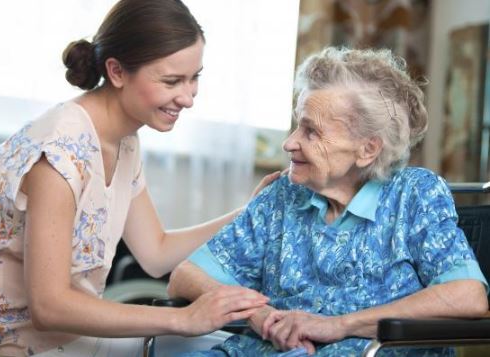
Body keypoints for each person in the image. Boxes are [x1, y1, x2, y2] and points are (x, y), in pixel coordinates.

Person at [0, 1, 274, 356]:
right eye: (171, 81)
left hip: (69, 337)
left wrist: (250, 210)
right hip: (18, 344)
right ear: (117, 71)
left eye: (194, 77)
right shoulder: (59, 154)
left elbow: (155, 252)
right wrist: (184, 319)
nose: (187, 98)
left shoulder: (124, 140)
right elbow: (49, 308)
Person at [167, 47, 489, 356]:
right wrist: (258, 314)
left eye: (311, 132)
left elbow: (467, 295)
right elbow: (185, 277)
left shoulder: (415, 195)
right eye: (297, 124)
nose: (289, 142)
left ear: (367, 150)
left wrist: (339, 326)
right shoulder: (283, 194)